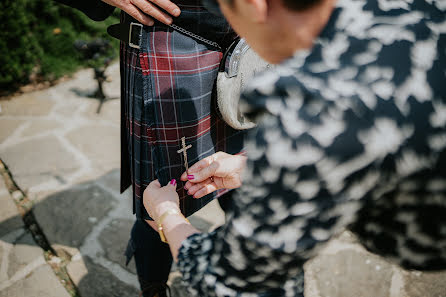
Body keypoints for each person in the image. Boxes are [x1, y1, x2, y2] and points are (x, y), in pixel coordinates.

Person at [142, 0, 446, 295]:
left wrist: (167, 213)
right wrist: (257, 170)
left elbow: (227, 276)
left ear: (253, 5)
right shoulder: (418, 7)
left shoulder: (308, 110)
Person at [53, 0, 244, 296]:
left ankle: (254, 268)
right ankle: (154, 288)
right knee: (161, 194)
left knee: (247, 178)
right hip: (168, 33)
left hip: (252, 35)